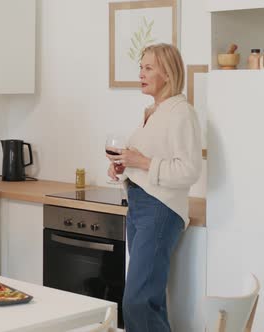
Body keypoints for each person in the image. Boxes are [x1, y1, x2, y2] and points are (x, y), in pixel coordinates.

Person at [106, 43, 202, 331]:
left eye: (148, 68)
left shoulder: (181, 113)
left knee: (137, 301)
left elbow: (189, 170)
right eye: (141, 67)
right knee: (149, 298)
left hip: (160, 210)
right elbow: (144, 162)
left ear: (168, 74)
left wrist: (143, 161)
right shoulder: (152, 112)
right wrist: (123, 168)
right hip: (138, 207)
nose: (141, 74)